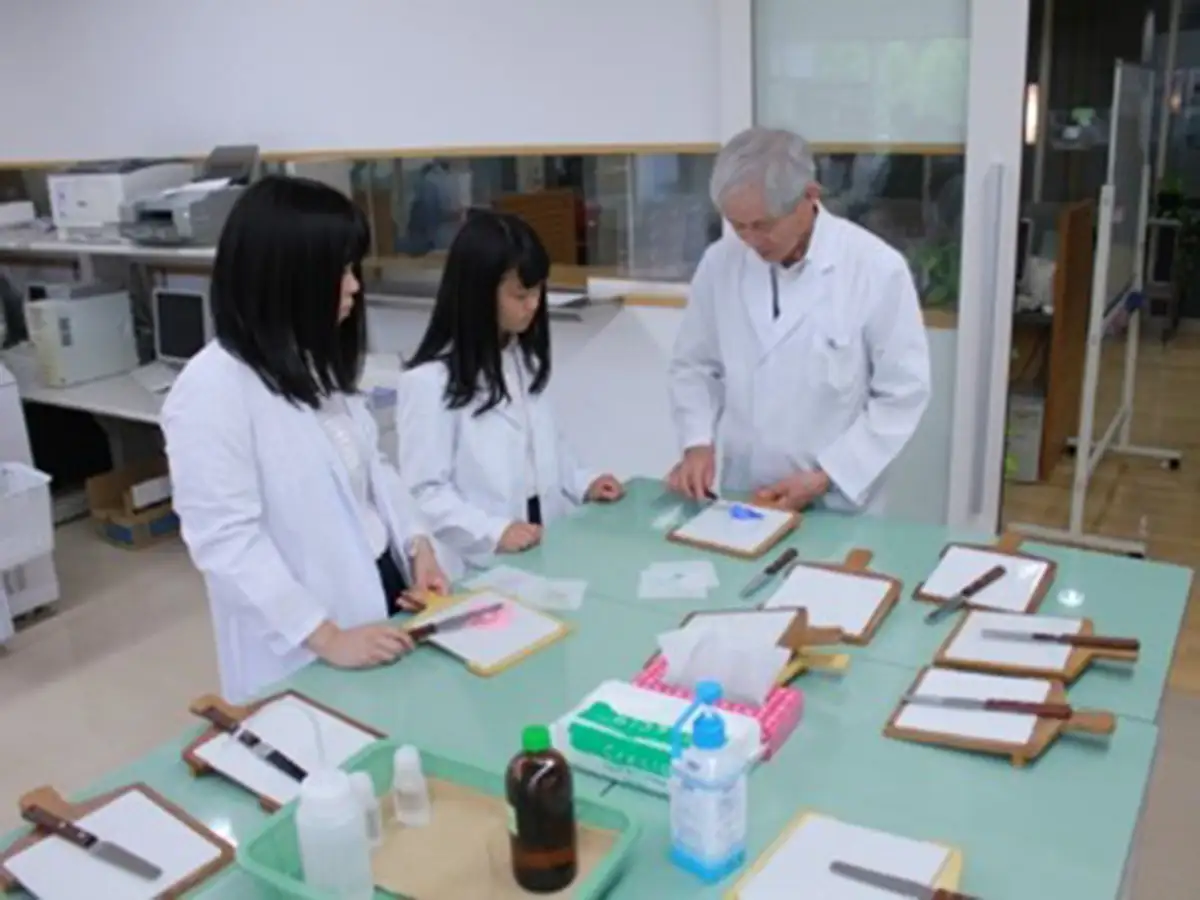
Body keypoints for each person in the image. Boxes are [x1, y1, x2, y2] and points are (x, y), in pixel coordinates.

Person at [162, 175, 449, 703]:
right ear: (287, 276)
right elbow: (227, 545)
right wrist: (327, 636)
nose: (354, 286)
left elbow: (373, 471)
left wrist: (418, 544)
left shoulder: (310, 362)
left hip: (380, 596)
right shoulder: (211, 389)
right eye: (340, 271)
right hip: (302, 644)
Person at [667, 128, 931, 515]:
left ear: (809, 196)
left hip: (836, 502)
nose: (751, 240)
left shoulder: (875, 269)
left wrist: (828, 475)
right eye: (738, 225)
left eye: (763, 225)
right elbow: (695, 365)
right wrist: (697, 442)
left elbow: (902, 393)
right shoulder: (720, 263)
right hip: (744, 495)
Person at [398, 210, 623, 574]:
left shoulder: (521, 358)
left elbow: (548, 448)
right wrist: (494, 531)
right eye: (520, 294)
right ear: (479, 294)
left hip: (541, 538)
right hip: (480, 560)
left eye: (537, 291)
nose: (533, 304)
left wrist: (585, 482)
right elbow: (424, 493)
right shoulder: (428, 382)